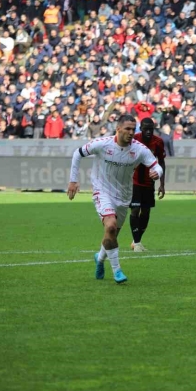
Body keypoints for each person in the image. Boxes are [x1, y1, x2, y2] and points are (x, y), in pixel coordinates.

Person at [68, 115, 163, 284]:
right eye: (127, 128)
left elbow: (156, 165)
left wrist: (157, 172)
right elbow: (78, 153)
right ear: (118, 129)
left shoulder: (139, 149)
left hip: (124, 195)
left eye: (134, 129)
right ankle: (117, 271)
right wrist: (73, 180)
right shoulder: (102, 144)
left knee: (111, 234)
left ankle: (100, 258)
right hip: (102, 191)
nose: (131, 132)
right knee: (111, 226)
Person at [129, 118, 166, 252]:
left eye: (151, 129)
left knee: (146, 212)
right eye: (146, 129)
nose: (149, 131)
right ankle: (138, 243)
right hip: (134, 182)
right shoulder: (133, 139)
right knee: (134, 210)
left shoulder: (158, 142)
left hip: (149, 183)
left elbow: (161, 163)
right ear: (141, 128)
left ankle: (135, 240)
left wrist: (162, 184)